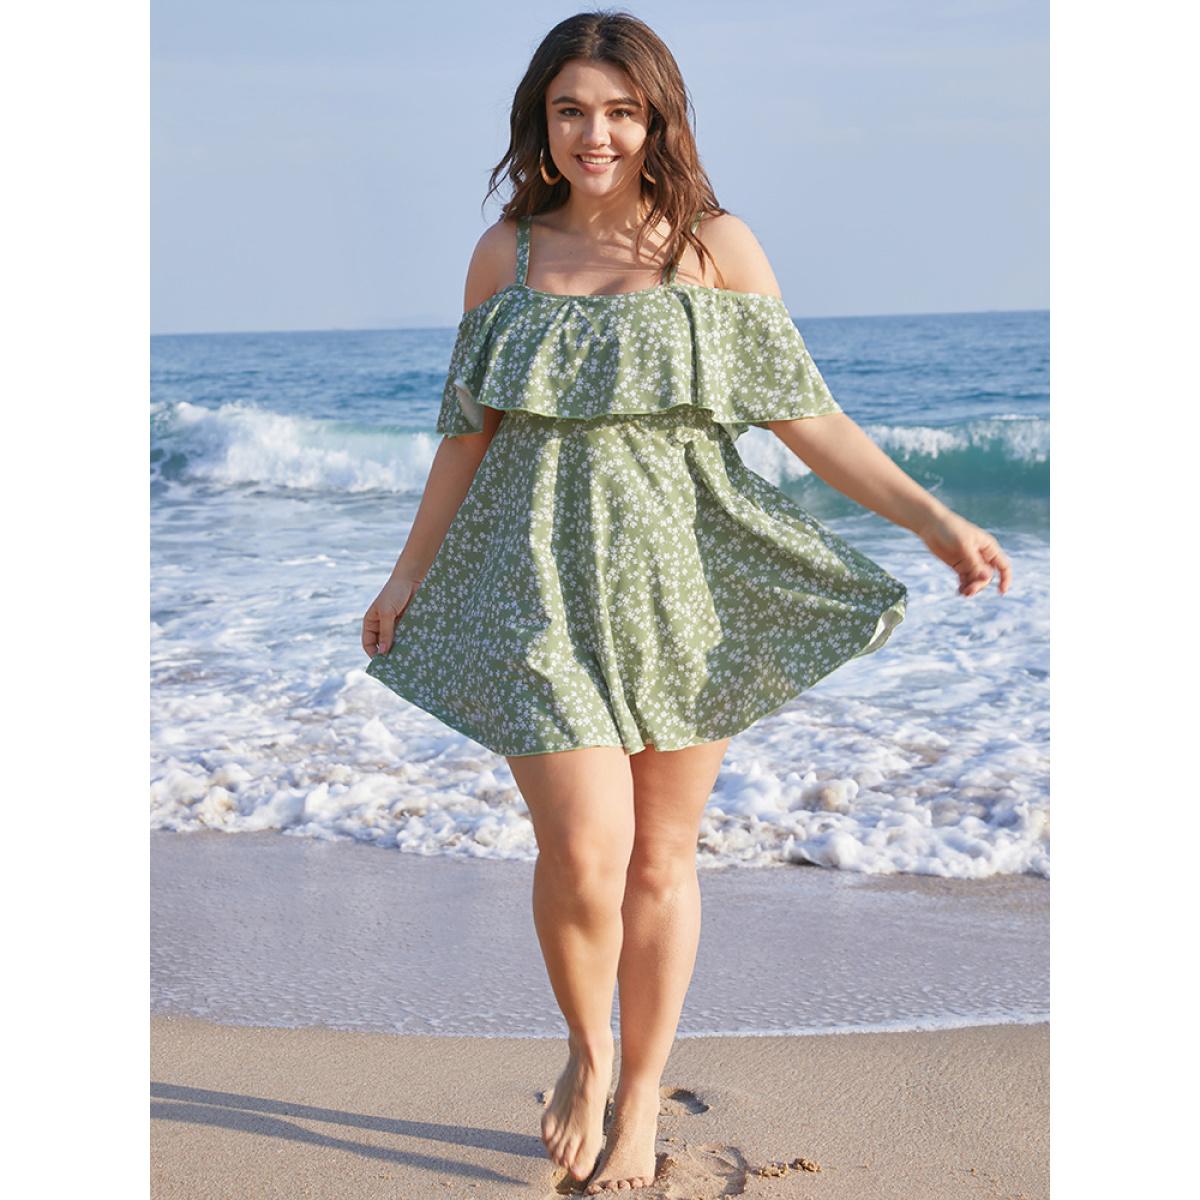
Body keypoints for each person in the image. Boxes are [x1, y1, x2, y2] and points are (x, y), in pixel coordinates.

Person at [360, 10, 1012, 1194]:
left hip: (683, 583)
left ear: (657, 119)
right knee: (583, 848)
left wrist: (932, 519)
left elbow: (806, 415)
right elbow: (467, 433)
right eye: (571, 110)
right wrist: (409, 573)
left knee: (660, 858)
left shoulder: (716, 248)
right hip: (535, 583)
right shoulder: (506, 256)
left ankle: (643, 1088)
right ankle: (588, 1051)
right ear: (540, 123)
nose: (595, 134)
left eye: (620, 111)